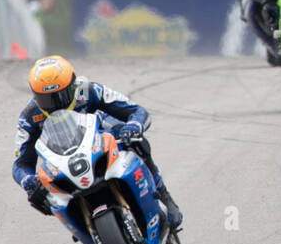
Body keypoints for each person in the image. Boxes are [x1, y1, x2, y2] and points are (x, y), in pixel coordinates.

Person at [12, 55, 182, 229]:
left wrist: (133, 125)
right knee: (37, 193)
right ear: (35, 96)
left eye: (61, 96)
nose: (57, 105)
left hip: (100, 142)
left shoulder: (89, 90)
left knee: (136, 141)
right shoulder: (29, 116)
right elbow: (20, 164)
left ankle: (162, 194)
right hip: (62, 160)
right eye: (47, 100)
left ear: (73, 85)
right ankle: (81, 228)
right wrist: (27, 180)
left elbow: (137, 110)